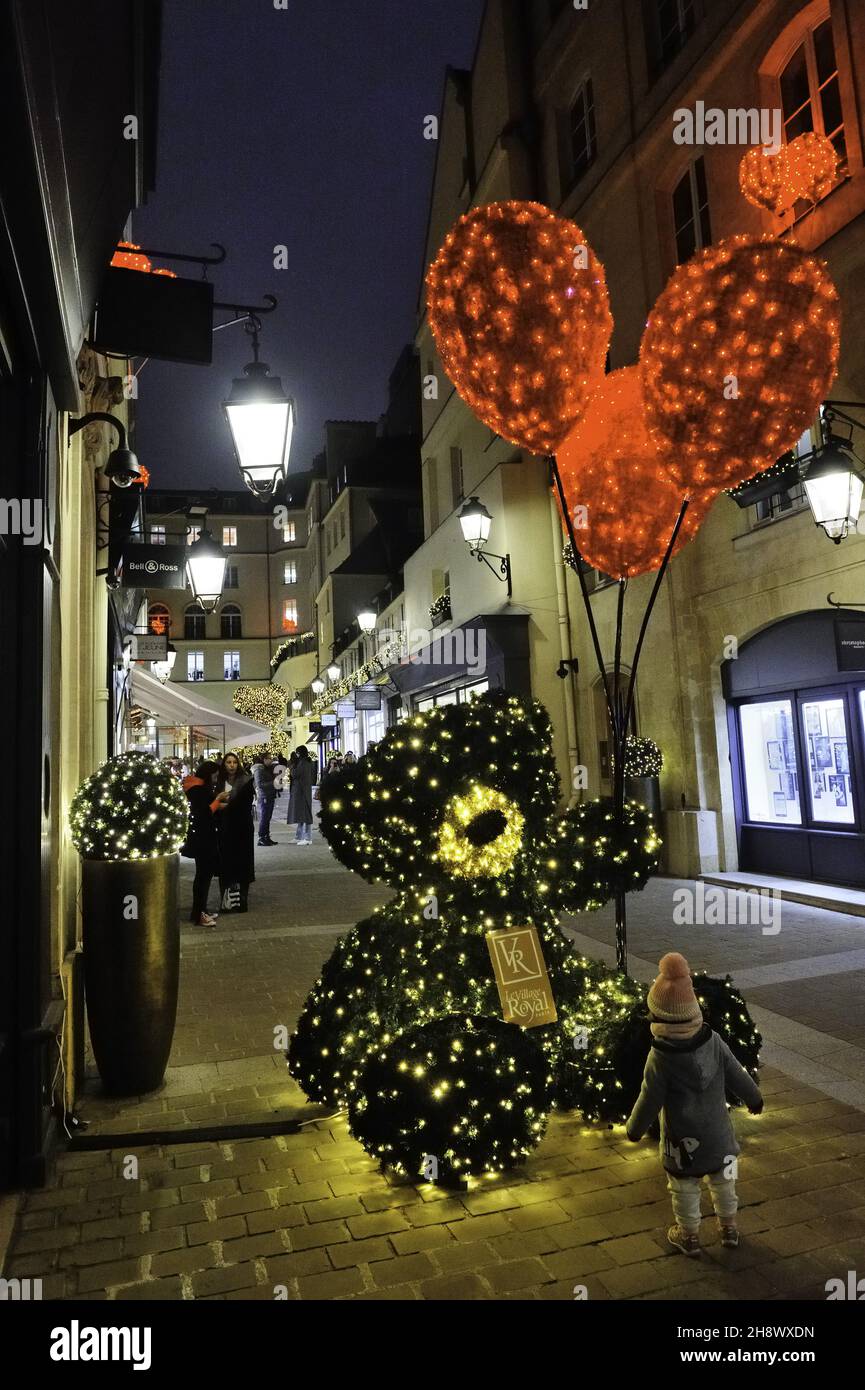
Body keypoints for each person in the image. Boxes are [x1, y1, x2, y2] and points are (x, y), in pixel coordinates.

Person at [625, 952, 763, 1256]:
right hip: (719, 1136)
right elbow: (735, 1071)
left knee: (683, 1186)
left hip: (683, 1142)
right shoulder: (713, 1042)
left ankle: (688, 1235)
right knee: (725, 1180)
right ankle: (729, 1228)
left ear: (659, 1017)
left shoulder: (660, 1057)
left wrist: (634, 1129)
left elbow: (649, 1097)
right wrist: (753, 1097)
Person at [180, 761, 221, 928]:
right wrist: (218, 800)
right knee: (203, 877)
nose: (216, 778)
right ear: (208, 774)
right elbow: (204, 812)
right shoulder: (198, 790)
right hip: (203, 839)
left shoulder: (197, 787)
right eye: (215, 775)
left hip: (203, 837)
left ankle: (200, 910)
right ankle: (199, 914)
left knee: (204, 875)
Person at [213, 752, 255, 911]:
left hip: (242, 828)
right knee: (226, 864)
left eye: (234, 762)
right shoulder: (219, 782)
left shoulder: (245, 781)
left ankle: (242, 900)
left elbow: (245, 804)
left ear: (238, 764)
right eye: (228, 762)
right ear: (224, 765)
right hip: (225, 828)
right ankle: (227, 901)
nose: (231, 765)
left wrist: (226, 806)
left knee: (243, 863)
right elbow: (214, 801)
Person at [287, 744, 317, 845]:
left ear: (300, 753)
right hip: (303, 791)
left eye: (297, 752)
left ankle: (308, 838)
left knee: (306, 814)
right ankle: (299, 836)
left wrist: (291, 767)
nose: (296, 755)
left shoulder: (303, 763)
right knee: (302, 814)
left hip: (302, 792)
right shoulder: (307, 762)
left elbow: (295, 774)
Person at [253, 752, 277, 846]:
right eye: (269, 758)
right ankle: (261, 838)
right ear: (264, 759)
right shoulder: (259, 769)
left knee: (268, 817)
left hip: (270, 795)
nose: (271, 760)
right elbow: (260, 784)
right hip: (265, 796)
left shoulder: (266, 768)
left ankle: (266, 836)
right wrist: (273, 783)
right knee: (265, 818)